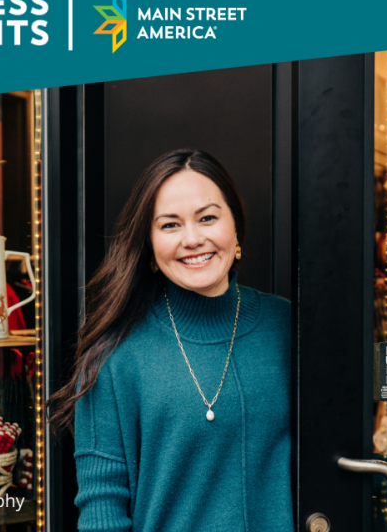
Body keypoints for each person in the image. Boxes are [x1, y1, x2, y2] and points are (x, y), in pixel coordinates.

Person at [50, 148, 292, 532]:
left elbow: (340, 455)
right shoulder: (114, 356)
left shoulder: (288, 327)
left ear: (236, 227)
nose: (193, 239)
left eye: (208, 218)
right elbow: (102, 514)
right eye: (170, 225)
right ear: (149, 245)